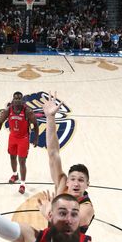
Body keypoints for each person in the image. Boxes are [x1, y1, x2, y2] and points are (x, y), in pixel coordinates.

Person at [37, 92, 95, 233]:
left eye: (81, 180)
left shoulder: (86, 208)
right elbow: (53, 153)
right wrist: (50, 118)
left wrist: (48, 211)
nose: (76, 183)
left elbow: (67, 224)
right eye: (73, 179)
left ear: (87, 184)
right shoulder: (62, 184)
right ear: (67, 181)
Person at [0, 91, 39, 194]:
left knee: (22, 161)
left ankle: (22, 184)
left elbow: (35, 125)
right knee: (12, 157)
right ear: (13, 100)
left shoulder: (27, 111)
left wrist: (36, 138)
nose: (17, 100)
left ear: (22, 101)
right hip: (13, 137)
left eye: (19, 98)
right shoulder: (8, 111)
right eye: (16, 98)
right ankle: (15, 174)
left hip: (23, 138)